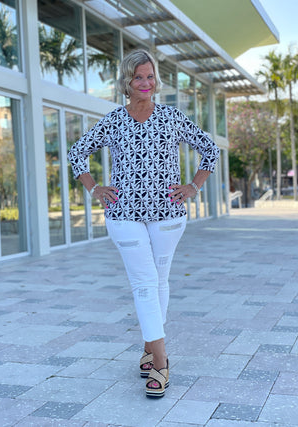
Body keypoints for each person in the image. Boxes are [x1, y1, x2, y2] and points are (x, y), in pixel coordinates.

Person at [68, 49, 220, 398]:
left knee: (160, 280)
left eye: (150, 77)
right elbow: (78, 152)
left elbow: (209, 149)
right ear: (127, 82)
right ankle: (162, 362)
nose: (146, 83)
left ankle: (150, 349)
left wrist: (194, 186)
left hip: (168, 215)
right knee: (144, 282)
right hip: (124, 216)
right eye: (139, 77)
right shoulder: (113, 121)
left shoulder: (171, 117)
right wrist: (94, 188)